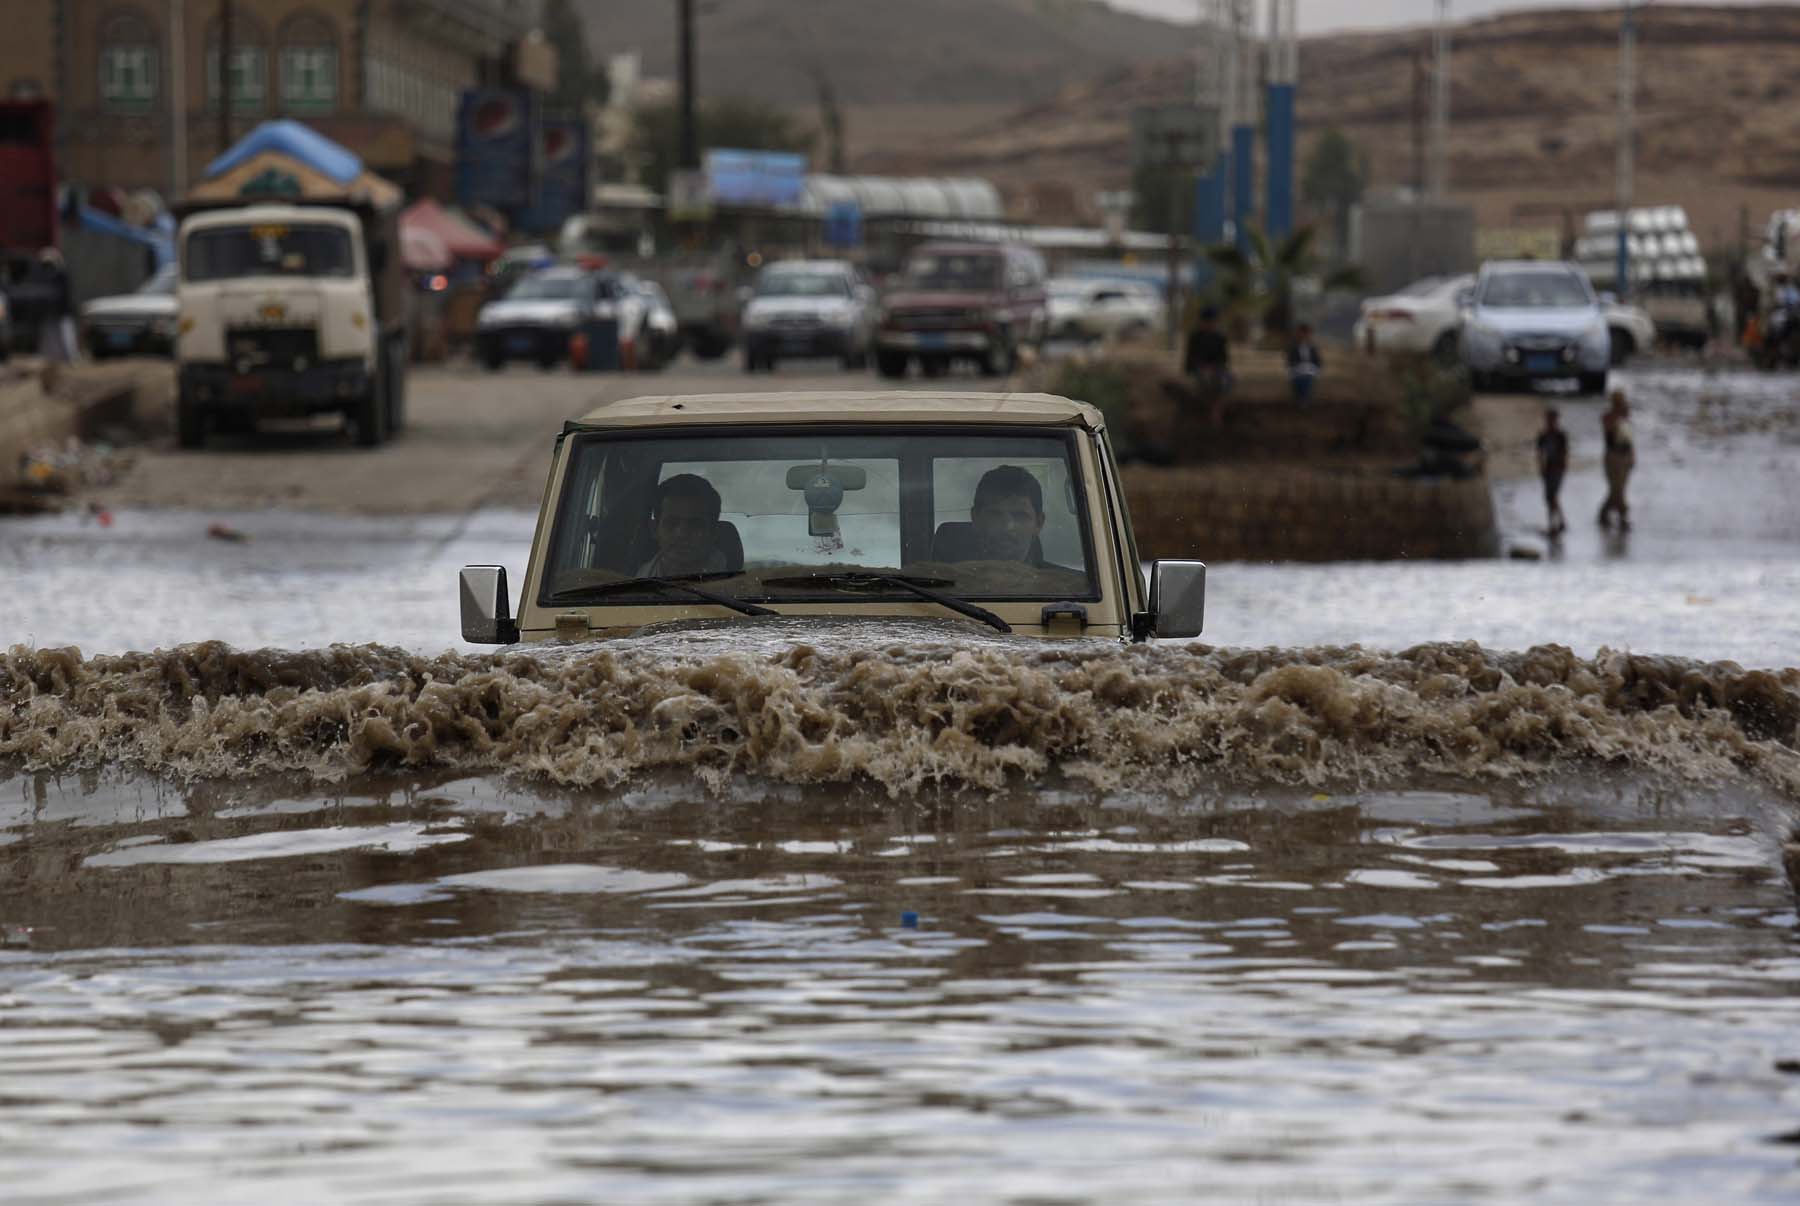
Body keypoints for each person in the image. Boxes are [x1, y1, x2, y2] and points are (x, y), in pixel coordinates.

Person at [637, 473, 729, 576]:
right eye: (672, 523)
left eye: (695, 524)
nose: (682, 534)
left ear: (714, 533)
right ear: (654, 529)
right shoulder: (631, 583)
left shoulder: (735, 588)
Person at [969, 465, 1046, 564]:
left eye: (1020, 516)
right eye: (995, 515)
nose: (1007, 527)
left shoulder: (1061, 579)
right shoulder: (946, 577)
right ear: (975, 518)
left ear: (1039, 523)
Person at [1183, 306, 1231, 427]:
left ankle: (1216, 412)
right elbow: (1191, 357)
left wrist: (1215, 367)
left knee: (1224, 381)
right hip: (1199, 368)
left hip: (1216, 368)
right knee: (1205, 382)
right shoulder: (1195, 337)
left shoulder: (1219, 338)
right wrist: (1201, 367)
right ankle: (1209, 410)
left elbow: (1224, 358)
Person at [1597, 389, 1636, 531]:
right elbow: (1608, 432)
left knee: (1620, 489)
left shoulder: (1625, 417)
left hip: (1624, 456)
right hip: (1612, 456)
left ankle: (1607, 514)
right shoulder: (1608, 417)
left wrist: (1632, 456)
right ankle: (1621, 516)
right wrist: (1617, 417)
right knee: (1616, 488)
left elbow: (1629, 439)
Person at [1535, 406, 1570, 535]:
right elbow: (1539, 454)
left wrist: (1562, 467)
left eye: (1553, 419)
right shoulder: (1543, 436)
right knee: (1550, 497)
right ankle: (1559, 522)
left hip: (1557, 469)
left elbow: (1565, 453)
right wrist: (1542, 468)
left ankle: (1554, 525)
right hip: (1549, 468)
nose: (1551, 422)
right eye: (1549, 419)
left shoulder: (1561, 436)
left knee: (1552, 497)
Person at [1286, 322, 1323, 402]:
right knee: (1300, 378)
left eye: (1305, 333)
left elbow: (1318, 362)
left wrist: (1312, 367)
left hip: (1309, 370)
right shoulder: (1293, 346)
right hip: (1297, 370)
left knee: (1307, 377)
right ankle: (1302, 399)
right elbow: (1290, 362)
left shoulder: (1312, 347)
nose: (1303, 335)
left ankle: (1302, 399)